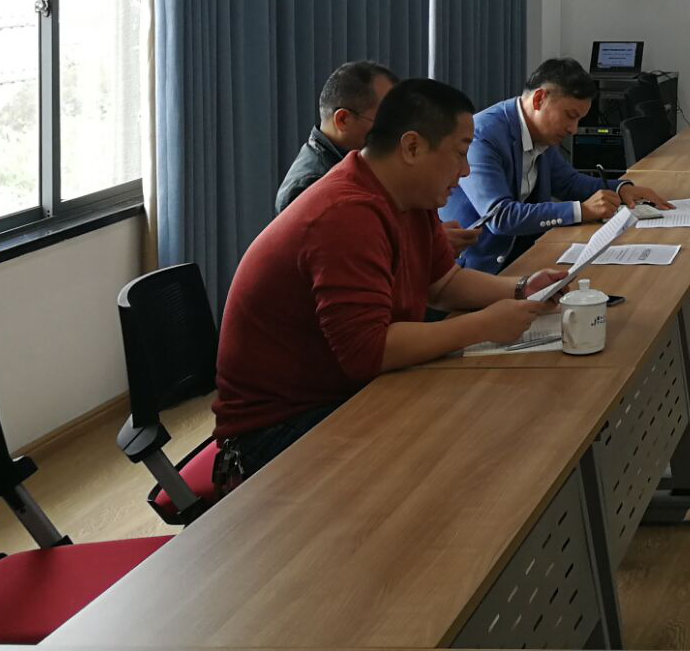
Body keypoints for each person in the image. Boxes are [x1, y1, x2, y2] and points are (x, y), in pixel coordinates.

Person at [213, 79, 564, 487]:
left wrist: (521, 287)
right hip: (280, 425)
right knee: (457, 454)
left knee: (485, 414)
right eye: (459, 152)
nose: (466, 170)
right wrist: (485, 325)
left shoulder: (410, 195)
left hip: (344, 388)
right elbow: (370, 352)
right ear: (412, 147)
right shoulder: (346, 214)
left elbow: (443, 283)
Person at [446, 57, 671, 274]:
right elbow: (500, 217)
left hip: (528, 254)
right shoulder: (482, 136)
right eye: (570, 116)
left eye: (579, 120)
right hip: (479, 268)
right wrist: (582, 210)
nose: (573, 129)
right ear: (539, 99)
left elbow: (568, 183)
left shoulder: (539, 132)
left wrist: (621, 189)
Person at [275, 61, 395, 213]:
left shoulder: (365, 163)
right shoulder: (309, 188)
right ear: (343, 120)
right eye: (387, 121)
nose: (397, 132)